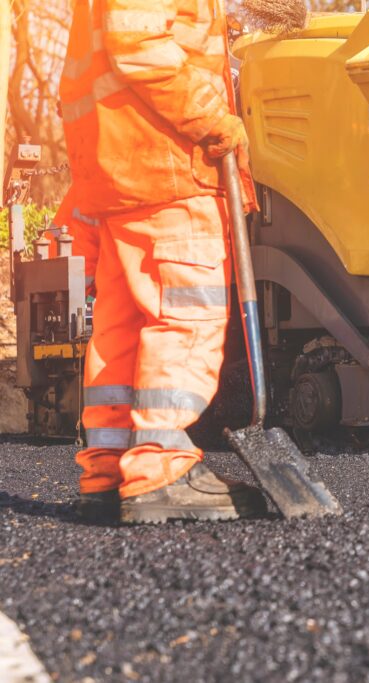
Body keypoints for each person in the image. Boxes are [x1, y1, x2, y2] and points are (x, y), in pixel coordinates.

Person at [60, 0, 266, 524]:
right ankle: (160, 467)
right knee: (186, 313)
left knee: (123, 324)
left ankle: (110, 468)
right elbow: (139, 44)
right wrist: (212, 117)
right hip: (169, 163)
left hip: (122, 168)